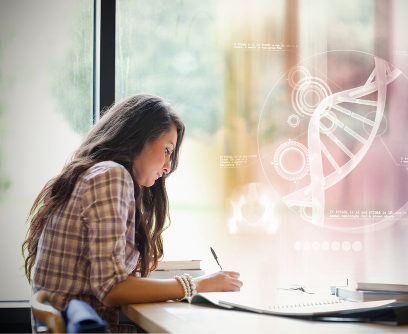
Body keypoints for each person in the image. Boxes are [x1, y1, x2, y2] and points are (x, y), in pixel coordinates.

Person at [22, 94, 243, 332]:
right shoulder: (111, 176)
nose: (168, 167)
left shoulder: (97, 174)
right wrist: (197, 285)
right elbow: (111, 289)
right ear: (138, 138)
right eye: (167, 149)